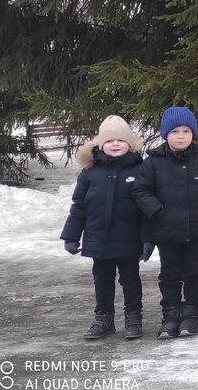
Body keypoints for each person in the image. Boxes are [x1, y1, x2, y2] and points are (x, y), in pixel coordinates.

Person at [133, 107, 198, 339]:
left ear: (193, 133)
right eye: (175, 131)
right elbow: (140, 190)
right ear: (166, 134)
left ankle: (191, 315)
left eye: (186, 131)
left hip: (197, 229)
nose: (181, 136)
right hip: (166, 230)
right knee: (170, 274)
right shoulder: (153, 162)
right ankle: (171, 316)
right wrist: (157, 212)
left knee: (194, 272)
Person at [61, 115, 151, 340]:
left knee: (130, 280)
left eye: (120, 140)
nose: (115, 144)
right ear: (100, 145)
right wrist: (71, 236)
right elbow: (79, 206)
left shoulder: (139, 170)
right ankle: (104, 318)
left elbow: (146, 209)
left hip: (129, 238)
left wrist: (148, 238)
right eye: (110, 141)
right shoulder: (90, 173)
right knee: (102, 280)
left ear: (129, 144)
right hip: (98, 239)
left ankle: (133, 318)